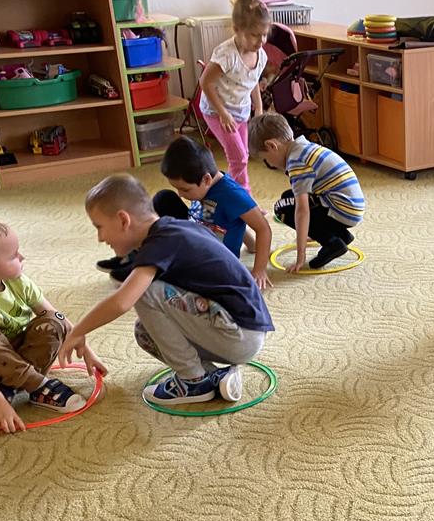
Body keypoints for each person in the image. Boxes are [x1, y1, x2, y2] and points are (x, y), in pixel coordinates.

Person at [61, 174, 274, 406]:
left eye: (99, 227)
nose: (100, 238)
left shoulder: (161, 243)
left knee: (145, 291)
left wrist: (77, 331)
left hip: (239, 333)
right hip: (239, 331)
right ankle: (211, 376)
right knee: (145, 333)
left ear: (123, 219)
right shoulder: (174, 230)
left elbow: (122, 302)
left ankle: (193, 381)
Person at [0, 216, 105, 437]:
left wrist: (86, 350)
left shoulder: (17, 280)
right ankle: (35, 386)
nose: (22, 257)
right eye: (14, 255)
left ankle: (22, 384)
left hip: (23, 355)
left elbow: (53, 314)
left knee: (54, 319)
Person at [248, 112, 365, 272]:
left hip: (343, 210)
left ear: (272, 146)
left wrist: (300, 253)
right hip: (350, 208)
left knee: (282, 208)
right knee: (288, 197)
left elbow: (302, 211)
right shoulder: (302, 146)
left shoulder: (297, 162)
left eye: (266, 159)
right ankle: (341, 235)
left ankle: (332, 242)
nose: (270, 164)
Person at [153, 135, 273, 290]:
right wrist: (252, 245)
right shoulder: (204, 186)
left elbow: (263, 228)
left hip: (214, 257)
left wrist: (259, 270)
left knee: (168, 271)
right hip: (197, 233)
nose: (180, 195)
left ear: (206, 179)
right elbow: (230, 219)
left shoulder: (232, 195)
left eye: (185, 189)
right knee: (163, 198)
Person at [198, 0, 270, 191]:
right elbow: (205, 82)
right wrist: (222, 113)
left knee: (243, 155)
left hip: (240, 111)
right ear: (237, 29)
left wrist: (259, 108)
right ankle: (244, 200)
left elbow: (252, 80)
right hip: (217, 111)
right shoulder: (226, 54)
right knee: (239, 158)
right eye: (254, 35)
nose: (261, 41)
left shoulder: (261, 55)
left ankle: (232, 194)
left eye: (264, 34)